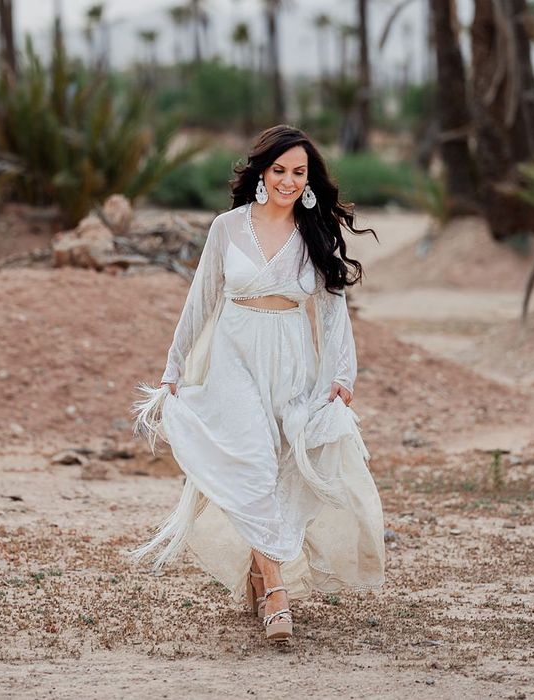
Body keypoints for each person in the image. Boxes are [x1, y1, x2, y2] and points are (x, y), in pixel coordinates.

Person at [129, 124, 385, 642]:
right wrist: (173, 366)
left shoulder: (315, 232)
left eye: (299, 172)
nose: (289, 181)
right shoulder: (228, 227)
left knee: (285, 469)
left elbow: (334, 311)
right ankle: (276, 594)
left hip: (293, 359)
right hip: (234, 353)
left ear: (309, 180)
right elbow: (201, 298)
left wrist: (341, 374)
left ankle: (257, 570)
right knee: (254, 461)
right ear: (262, 173)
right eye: (280, 171)